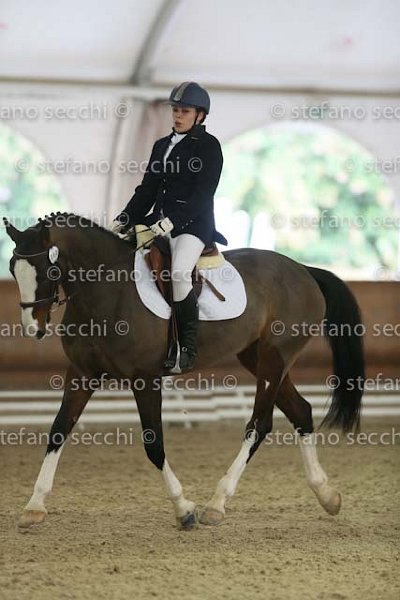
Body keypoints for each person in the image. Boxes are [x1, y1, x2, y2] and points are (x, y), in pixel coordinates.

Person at [110, 81, 227, 374]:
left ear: (200, 115)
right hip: (158, 221)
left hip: (192, 226)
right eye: (175, 110)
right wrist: (125, 217)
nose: (177, 115)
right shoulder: (161, 145)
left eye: (184, 111)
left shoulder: (209, 146)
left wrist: (173, 220)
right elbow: (147, 189)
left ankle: (188, 346)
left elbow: (203, 194)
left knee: (179, 273)